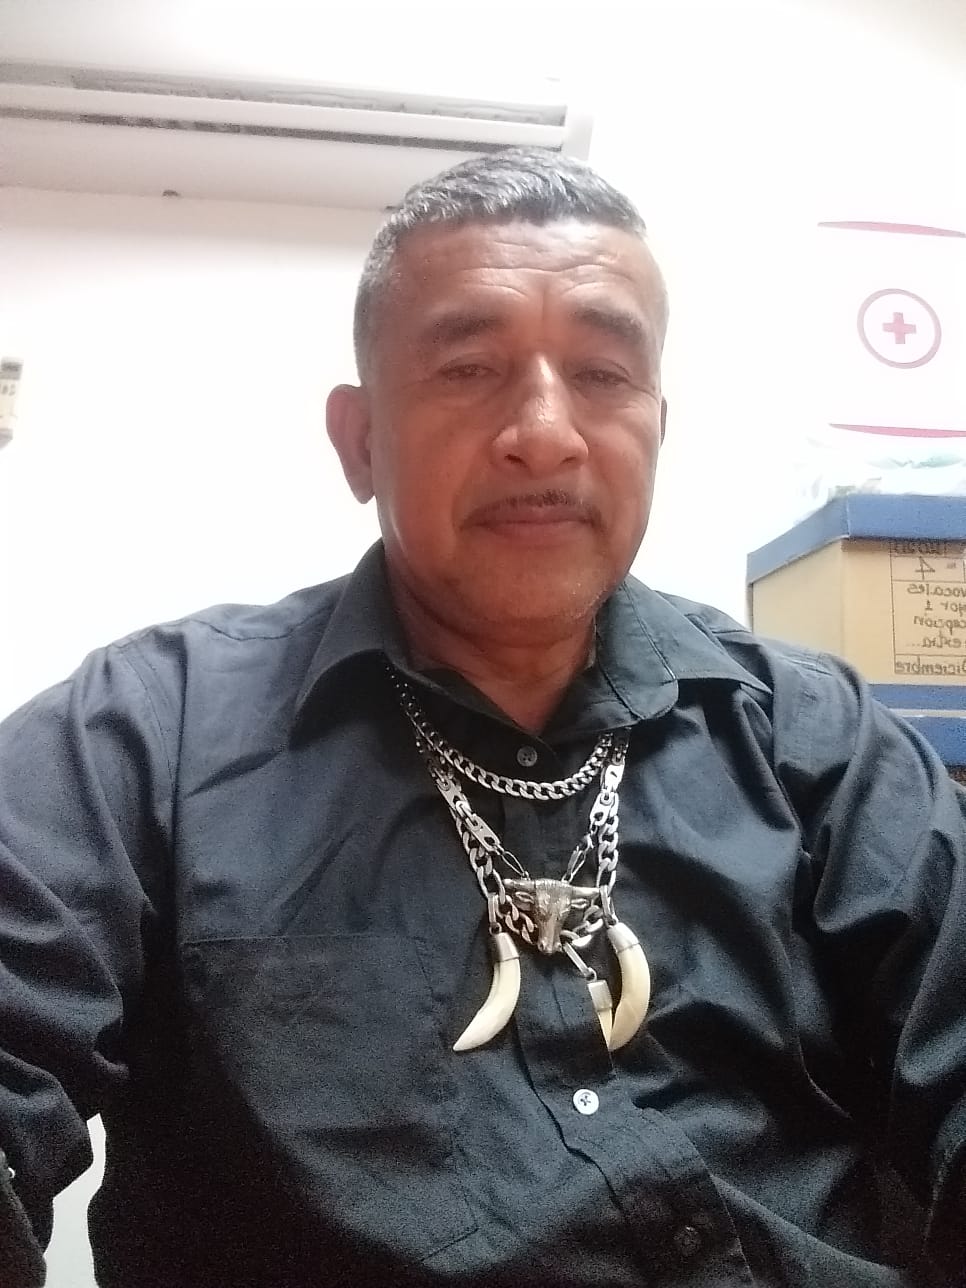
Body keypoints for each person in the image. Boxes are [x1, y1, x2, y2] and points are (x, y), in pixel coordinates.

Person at [1, 147, 964, 1288]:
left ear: (658, 426)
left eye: (603, 373)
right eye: (468, 368)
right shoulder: (139, 737)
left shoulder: (821, 740)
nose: (546, 431)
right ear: (360, 440)